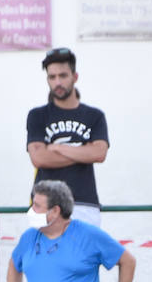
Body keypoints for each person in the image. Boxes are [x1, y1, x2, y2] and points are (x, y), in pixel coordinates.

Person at [26, 47, 109, 226]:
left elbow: (99, 154)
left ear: (75, 77)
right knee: (44, 254)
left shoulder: (94, 116)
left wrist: (58, 148)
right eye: (52, 77)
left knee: (84, 255)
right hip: (44, 205)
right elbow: (39, 158)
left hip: (84, 203)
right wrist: (83, 152)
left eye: (63, 76)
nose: (57, 82)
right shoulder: (37, 115)